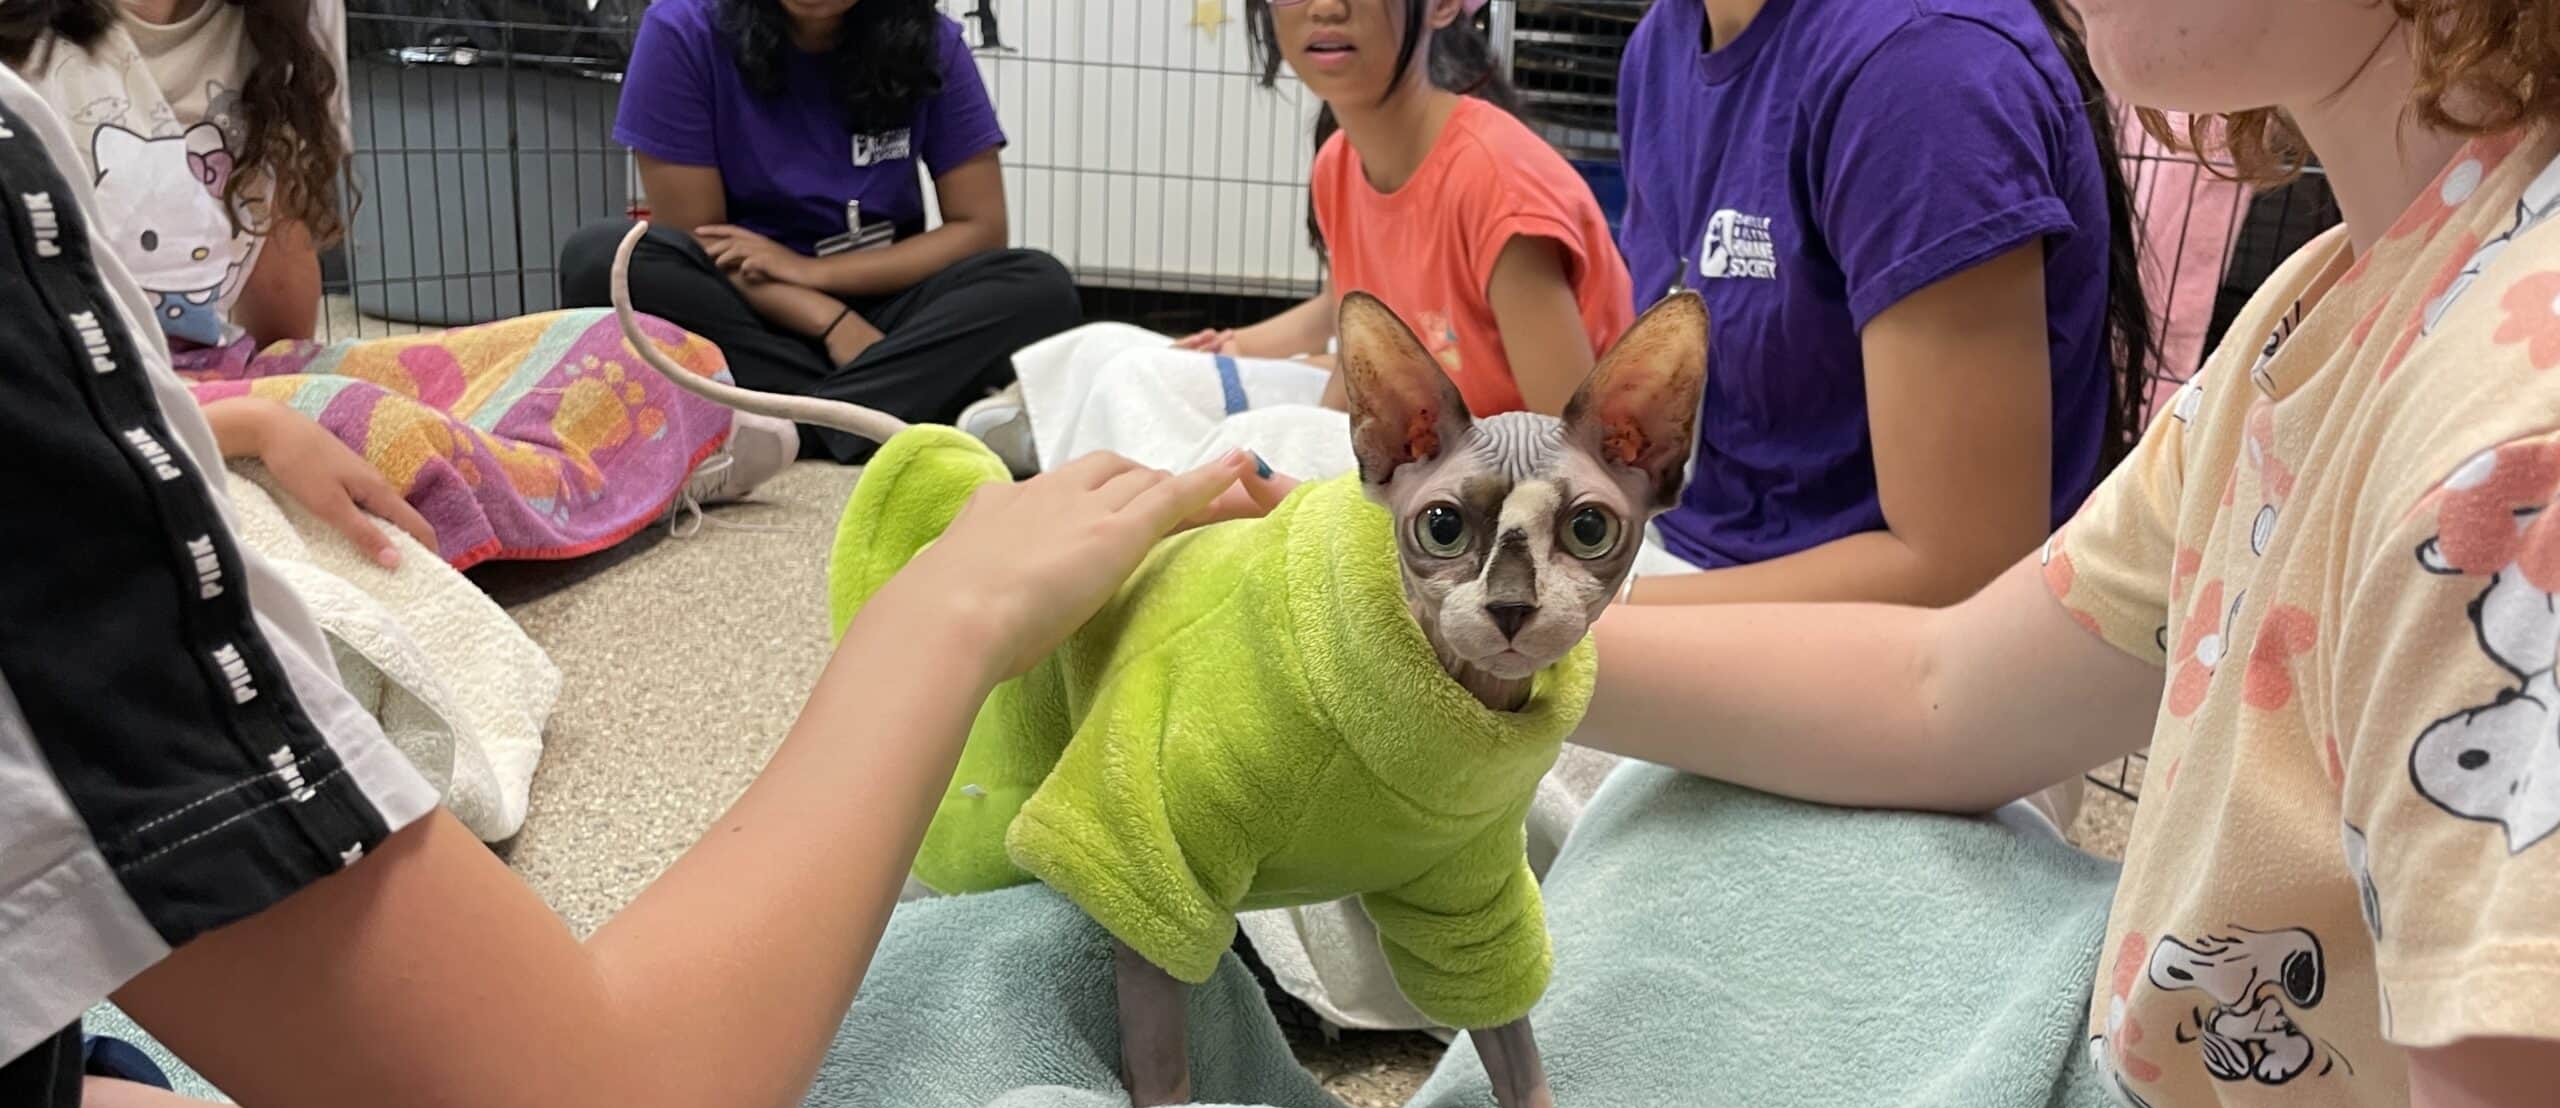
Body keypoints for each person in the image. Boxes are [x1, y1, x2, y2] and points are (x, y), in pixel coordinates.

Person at [836, 3, 2559, 1108]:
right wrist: (1417, 663)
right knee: (1667, 822)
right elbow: (1955, 686)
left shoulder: (2509, 466)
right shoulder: (2329, 311)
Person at [0, 59, 1283, 1108]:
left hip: (850, 311)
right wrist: (952, 609)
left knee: (1023, 294)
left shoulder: (917, 42)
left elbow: (981, 243)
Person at [10, 0, 786, 571]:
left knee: (625, 341)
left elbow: (282, 265)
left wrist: (293, 378)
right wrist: (260, 424)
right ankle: (639, 469)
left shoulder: (292, 16)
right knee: (352, 419)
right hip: (65, 385)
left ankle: (650, 451)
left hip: (209, 365)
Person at [1614, 0, 2155, 611]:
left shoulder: (1926, 68)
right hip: (1692, 556)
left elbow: (1965, 574)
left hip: (1890, 652)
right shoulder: (1664, 44)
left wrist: (1589, 611)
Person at [958, 0, 1633, 479]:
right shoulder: (1339, 165)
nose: (1325, 7)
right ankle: (1067, 450)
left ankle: (1073, 459)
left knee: (1249, 439)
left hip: (1502, 490)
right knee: (1140, 367)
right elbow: (1357, 357)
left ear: (1447, 4)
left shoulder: (1498, 189)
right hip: (1420, 447)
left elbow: (1573, 458)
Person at [560, 0, 1082, 465]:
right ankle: (884, 409)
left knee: (1040, 284)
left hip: (882, 301)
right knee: (605, 260)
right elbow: (704, 241)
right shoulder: (682, 28)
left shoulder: (933, 42)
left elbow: (981, 228)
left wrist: (818, 273)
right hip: (748, 301)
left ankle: (788, 423)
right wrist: (830, 322)